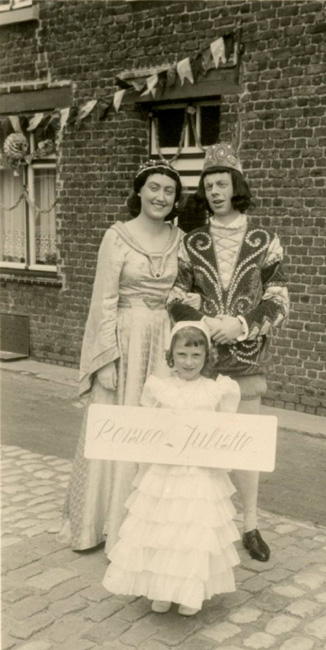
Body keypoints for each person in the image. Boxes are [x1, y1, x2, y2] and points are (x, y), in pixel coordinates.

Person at [59, 159, 199, 553]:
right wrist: (105, 358)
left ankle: (145, 530)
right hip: (122, 339)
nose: (160, 196)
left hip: (163, 342)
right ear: (139, 191)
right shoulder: (117, 237)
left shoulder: (181, 239)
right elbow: (103, 299)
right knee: (113, 429)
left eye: (169, 191)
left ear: (176, 200)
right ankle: (97, 527)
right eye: (154, 187)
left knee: (154, 428)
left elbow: (187, 294)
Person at [168, 143, 289, 562]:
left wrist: (239, 325)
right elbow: (177, 294)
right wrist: (202, 325)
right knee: (203, 446)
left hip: (247, 358)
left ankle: (250, 525)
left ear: (236, 186)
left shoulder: (265, 240)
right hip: (201, 362)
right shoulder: (192, 242)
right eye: (208, 185)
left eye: (222, 183)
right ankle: (205, 526)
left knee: (245, 446)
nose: (215, 191)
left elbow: (279, 297)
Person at [102, 321, 241, 616]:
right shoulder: (160, 389)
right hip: (165, 472)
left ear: (207, 357)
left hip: (199, 475)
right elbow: (147, 428)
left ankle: (189, 591)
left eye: (196, 356)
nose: (188, 363)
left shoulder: (217, 391)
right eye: (181, 355)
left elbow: (227, 431)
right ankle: (162, 588)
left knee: (192, 532)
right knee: (162, 528)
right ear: (171, 356)